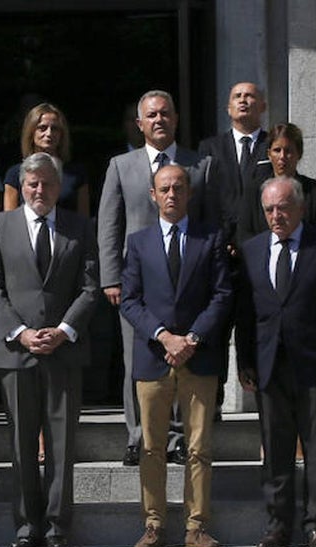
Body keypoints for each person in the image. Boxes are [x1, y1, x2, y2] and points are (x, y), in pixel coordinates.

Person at [0, 152, 99, 547]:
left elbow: (89, 286)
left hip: (64, 351)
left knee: (62, 445)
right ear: (23, 186)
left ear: (59, 186)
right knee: (21, 441)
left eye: (47, 183)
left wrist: (64, 331)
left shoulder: (79, 226)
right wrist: (22, 332)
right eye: (32, 184)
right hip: (16, 352)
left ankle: (58, 525)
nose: (40, 190)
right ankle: (27, 525)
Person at [235, 176, 316, 547]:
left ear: (300, 207)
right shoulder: (252, 250)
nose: (276, 215)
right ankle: (278, 525)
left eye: (283, 208)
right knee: (275, 449)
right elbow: (246, 312)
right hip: (270, 366)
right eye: (270, 209)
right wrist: (244, 362)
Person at [97, 89, 214, 467]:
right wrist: (110, 277)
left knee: (181, 356)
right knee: (137, 359)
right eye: (151, 115)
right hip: (135, 283)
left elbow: (209, 222)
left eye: (165, 113)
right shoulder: (121, 165)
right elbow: (109, 224)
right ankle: (139, 435)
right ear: (139, 124)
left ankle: (178, 436)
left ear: (176, 119)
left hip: (185, 278)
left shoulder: (200, 165)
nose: (159, 120)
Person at [119, 164, 233, 547]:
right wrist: (165, 337)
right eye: (165, 188)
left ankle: (196, 525)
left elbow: (222, 295)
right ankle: (153, 524)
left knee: (199, 447)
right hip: (153, 357)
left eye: (179, 188)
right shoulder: (138, 243)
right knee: (151, 447)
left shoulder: (210, 239)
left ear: (189, 193)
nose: (172, 194)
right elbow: (130, 301)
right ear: (153, 195)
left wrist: (193, 338)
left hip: (198, 358)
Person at [236, 122, 316, 246]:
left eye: (288, 151)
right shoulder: (254, 189)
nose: (282, 157)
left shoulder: (314, 191)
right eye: (277, 150)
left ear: (299, 154)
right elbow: (244, 233)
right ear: (269, 154)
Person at [198, 81, 268, 242]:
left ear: (263, 107)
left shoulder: (273, 145)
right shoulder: (210, 147)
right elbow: (205, 196)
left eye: (249, 96)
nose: (243, 100)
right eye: (237, 96)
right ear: (229, 108)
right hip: (221, 240)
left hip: (262, 237)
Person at [3, 103, 90, 217]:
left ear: (61, 134)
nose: (49, 134)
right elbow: (9, 221)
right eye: (42, 128)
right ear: (31, 132)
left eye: (54, 129)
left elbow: (84, 220)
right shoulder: (15, 173)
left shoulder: (76, 174)